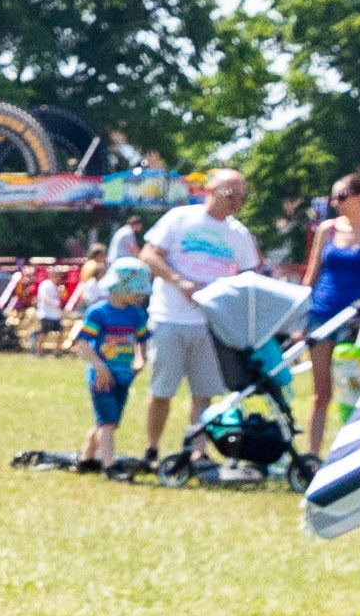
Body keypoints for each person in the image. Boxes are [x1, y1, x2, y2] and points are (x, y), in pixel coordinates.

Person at [134, 165, 256, 470]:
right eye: (230, 194)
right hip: (169, 318)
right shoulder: (181, 218)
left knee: (204, 392)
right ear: (210, 191)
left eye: (242, 196)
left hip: (210, 325)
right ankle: (152, 450)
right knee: (162, 390)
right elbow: (148, 255)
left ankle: (197, 451)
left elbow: (249, 276)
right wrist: (179, 281)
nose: (236, 202)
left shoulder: (239, 234)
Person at [297, 172, 360, 461]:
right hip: (320, 316)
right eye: (333, 197)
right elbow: (311, 276)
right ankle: (312, 456)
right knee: (321, 392)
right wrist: (297, 318)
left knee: (355, 391)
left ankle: (355, 454)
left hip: (356, 322)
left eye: (341, 196)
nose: (335, 203)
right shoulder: (327, 230)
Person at [75, 251, 155, 467]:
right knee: (108, 423)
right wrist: (98, 365)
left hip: (124, 375)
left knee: (108, 423)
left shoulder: (137, 314)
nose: (140, 296)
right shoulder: (98, 313)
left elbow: (143, 339)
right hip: (102, 376)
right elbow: (82, 343)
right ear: (120, 288)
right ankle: (110, 466)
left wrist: (141, 359)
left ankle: (86, 459)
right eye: (136, 291)